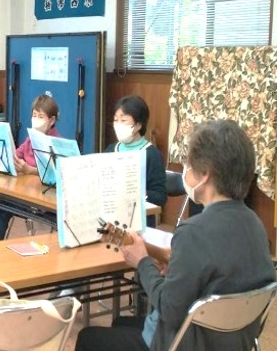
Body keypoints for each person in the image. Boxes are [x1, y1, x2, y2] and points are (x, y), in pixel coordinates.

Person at [75, 120, 275, 351]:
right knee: (121, 323)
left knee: (88, 337)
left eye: (188, 164)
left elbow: (169, 309)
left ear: (205, 174)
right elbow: (220, 280)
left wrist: (142, 262)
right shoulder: (256, 225)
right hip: (230, 342)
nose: (185, 170)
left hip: (186, 343)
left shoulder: (193, 232)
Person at [0, 94, 61, 244]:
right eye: (34, 115)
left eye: (40, 116)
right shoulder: (31, 138)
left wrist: (30, 170)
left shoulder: (57, 143)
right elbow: (16, 155)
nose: (36, 119)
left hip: (43, 202)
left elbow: (55, 173)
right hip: (25, 194)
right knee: (0, 202)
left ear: (51, 120)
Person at [106, 95, 167, 226]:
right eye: (116, 120)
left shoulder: (151, 154)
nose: (118, 125)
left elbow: (160, 197)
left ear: (138, 125)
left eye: (123, 120)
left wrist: (136, 192)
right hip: (111, 216)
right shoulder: (111, 149)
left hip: (140, 221)